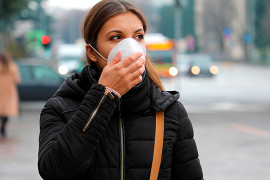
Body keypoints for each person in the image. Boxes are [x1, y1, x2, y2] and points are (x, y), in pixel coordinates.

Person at [38, 0, 203, 179]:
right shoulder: (60, 108)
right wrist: (104, 95)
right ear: (92, 52)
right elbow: (54, 171)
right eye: (116, 37)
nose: (131, 47)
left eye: (138, 36)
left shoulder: (170, 112)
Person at [0, 52, 20, 137]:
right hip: (9, 91)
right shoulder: (13, 67)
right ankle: (3, 127)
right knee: (6, 111)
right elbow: (17, 80)